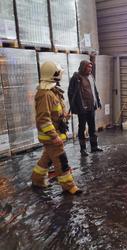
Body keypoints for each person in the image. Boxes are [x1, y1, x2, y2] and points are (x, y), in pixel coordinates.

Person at [32, 61, 81, 195]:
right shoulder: (45, 94)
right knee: (61, 160)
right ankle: (69, 186)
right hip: (51, 136)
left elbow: (54, 112)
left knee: (47, 158)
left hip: (54, 134)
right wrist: (54, 136)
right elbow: (43, 119)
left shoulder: (53, 91)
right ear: (53, 74)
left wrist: (64, 116)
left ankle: (37, 179)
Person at [68, 60, 102, 156]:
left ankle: (94, 146)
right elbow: (71, 93)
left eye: (91, 67)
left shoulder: (91, 77)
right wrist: (75, 108)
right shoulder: (76, 78)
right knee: (82, 128)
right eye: (88, 67)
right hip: (82, 108)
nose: (90, 69)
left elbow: (95, 91)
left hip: (91, 106)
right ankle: (83, 149)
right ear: (83, 67)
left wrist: (98, 102)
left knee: (92, 127)